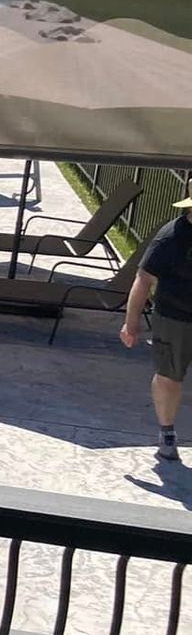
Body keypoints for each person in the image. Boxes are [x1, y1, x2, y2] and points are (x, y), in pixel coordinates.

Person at [121, 194, 192, 462]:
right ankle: (167, 433)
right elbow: (144, 279)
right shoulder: (171, 237)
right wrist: (131, 323)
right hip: (174, 318)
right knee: (168, 376)